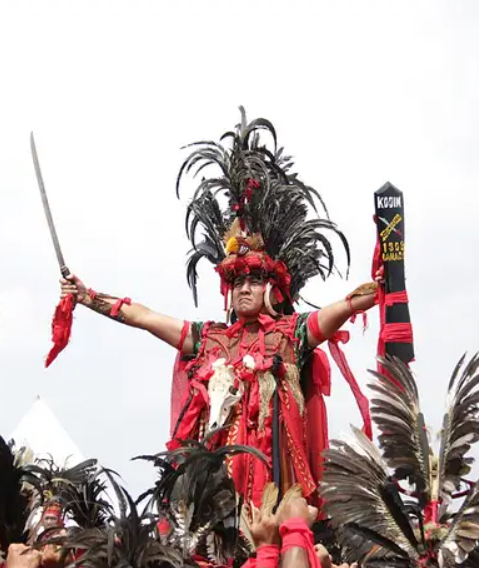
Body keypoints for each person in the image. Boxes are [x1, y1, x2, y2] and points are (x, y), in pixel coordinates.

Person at [59, 108, 379, 507]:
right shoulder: (208, 338)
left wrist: (379, 289)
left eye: (254, 280)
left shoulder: (291, 334)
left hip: (277, 490)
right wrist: (87, 297)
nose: (244, 289)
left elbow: (339, 309)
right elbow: (143, 317)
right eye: (236, 281)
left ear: (273, 287)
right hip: (216, 490)